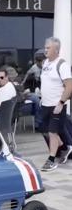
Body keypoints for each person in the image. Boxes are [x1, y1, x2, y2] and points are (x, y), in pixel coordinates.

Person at [40, 37, 72, 171]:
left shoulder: (62, 64)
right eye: (45, 47)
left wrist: (61, 103)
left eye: (48, 48)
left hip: (57, 105)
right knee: (45, 131)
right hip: (45, 104)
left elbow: (69, 86)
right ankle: (65, 147)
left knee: (52, 132)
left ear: (56, 50)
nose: (45, 50)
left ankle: (51, 159)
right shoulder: (45, 63)